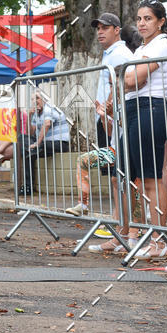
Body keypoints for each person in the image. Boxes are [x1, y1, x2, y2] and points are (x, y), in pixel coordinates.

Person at [120, 0, 167, 259]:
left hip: (150, 109)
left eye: (148, 19)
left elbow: (133, 78)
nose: (142, 23)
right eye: (139, 19)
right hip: (136, 109)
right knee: (137, 179)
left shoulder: (161, 45)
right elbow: (128, 80)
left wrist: (127, 77)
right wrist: (129, 79)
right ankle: (140, 235)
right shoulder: (143, 48)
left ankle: (158, 241)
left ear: (161, 22)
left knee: (152, 179)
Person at [66, 13, 136, 223]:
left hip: (120, 124)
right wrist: (104, 114)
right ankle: (101, 214)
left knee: (122, 179)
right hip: (110, 122)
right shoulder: (111, 53)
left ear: (117, 30)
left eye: (105, 28)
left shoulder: (120, 54)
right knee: (113, 177)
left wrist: (109, 110)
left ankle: (128, 226)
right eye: (98, 28)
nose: (100, 32)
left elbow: (122, 85)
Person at [19, 92, 70, 196]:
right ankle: (28, 187)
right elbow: (30, 132)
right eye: (32, 99)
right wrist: (29, 116)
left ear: (44, 100)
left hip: (59, 143)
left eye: (37, 98)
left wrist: (37, 143)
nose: (35, 101)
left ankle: (31, 150)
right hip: (45, 144)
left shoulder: (49, 108)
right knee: (22, 140)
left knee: (32, 149)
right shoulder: (36, 113)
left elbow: (46, 124)